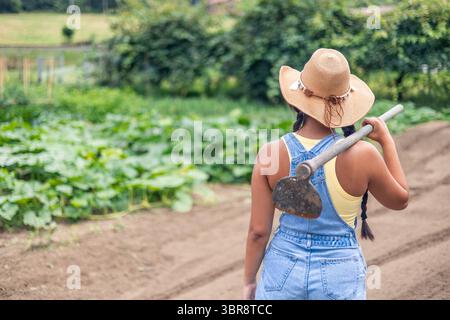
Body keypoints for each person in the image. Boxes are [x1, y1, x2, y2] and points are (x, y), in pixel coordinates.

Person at [243, 48, 409, 300]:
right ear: (344, 103)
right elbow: (400, 200)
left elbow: (258, 231)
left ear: (297, 99)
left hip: (282, 271)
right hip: (339, 273)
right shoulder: (364, 154)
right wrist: (386, 141)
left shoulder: (271, 153)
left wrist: (249, 282)